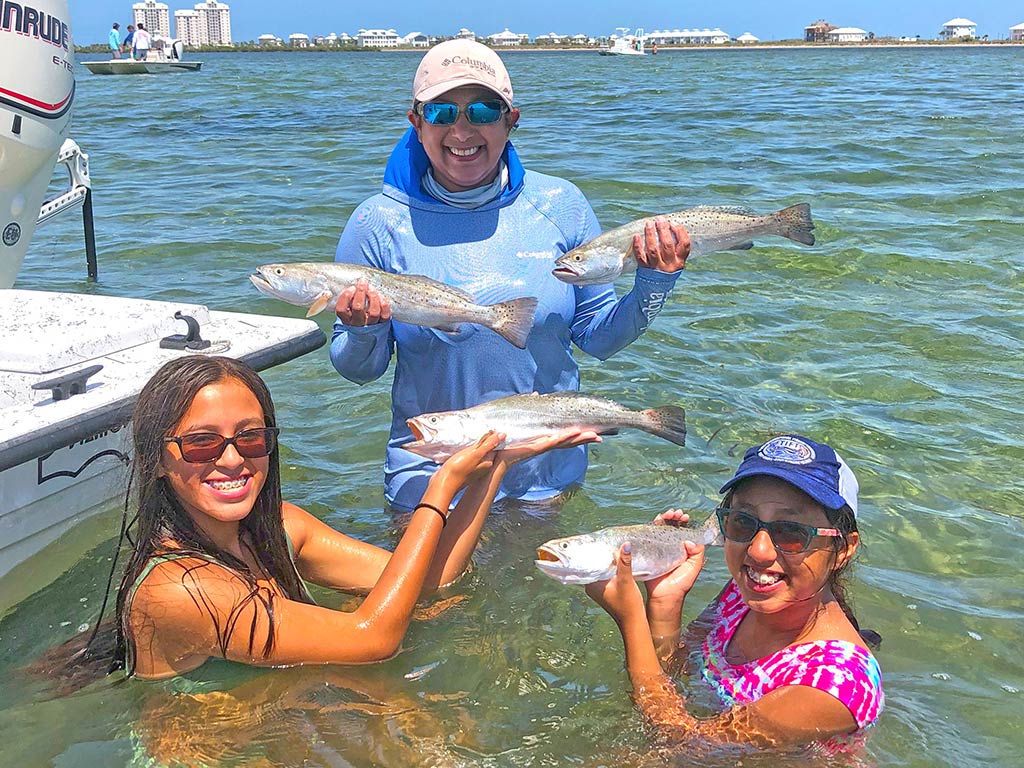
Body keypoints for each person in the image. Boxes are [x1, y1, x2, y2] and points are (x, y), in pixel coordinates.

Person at [331, 39, 691, 512]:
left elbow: (600, 340)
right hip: (427, 476)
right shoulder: (375, 223)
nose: (462, 130)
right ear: (416, 124)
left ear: (510, 120)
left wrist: (654, 282)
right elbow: (359, 370)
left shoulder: (561, 205)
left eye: (482, 111)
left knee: (533, 585)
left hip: (544, 474)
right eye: (441, 113)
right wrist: (363, 330)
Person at [75, 356, 594, 680]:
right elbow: (373, 639)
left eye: (250, 437)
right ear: (158, 459)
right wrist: (440, 487)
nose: (231, 459)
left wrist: (491, 469)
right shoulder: (180, 590)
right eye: (201, 443)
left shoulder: (280, 527)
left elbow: (433, 581)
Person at [585, 435, 883, 754]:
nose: (758, 550)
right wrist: (665, 601)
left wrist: (631, 620)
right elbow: (679, 673)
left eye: (791, 532)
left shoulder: (836, 684)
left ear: (844, 549)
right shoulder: (745, 596)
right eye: (743, 522)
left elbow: (685, 743)